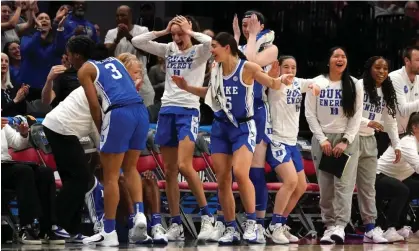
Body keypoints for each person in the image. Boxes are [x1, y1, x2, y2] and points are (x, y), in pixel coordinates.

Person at [172, 32, 294, 244]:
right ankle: (230, 227)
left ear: (227, 47)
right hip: (221, 128)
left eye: (215, 47)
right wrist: (187, 88)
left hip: (244, 127)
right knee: (223, 180)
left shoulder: (247, 68)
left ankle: (252, 223)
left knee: (240, 171)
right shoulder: (216, 68)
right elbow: (209, 93)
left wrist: (281, 79)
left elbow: (272, 84)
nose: (212, 51)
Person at [132, 15, 215, 241]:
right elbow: (137, 42)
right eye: (175, 34)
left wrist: (190, 32)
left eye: (181, 34)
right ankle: (176, 223)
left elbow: (211, 43)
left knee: (185, 166)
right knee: (170, 172)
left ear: (189, 32)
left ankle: (208, 218)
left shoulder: (200, 51)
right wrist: (162, 32)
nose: (177, 38)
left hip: (188, 110)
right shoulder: (168, 48)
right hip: (167, 110)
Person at [64, 36, 150, 246]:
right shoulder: (115, 61)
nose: (68, 60)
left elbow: (94, 105)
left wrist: (101, 126)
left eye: (68, 55)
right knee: (131, 168)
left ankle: (109, 231)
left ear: (77, 55)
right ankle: (139, 214)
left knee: (110, 175)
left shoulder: (85, 70)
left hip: (118, 113)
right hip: (141, 111)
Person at [209, 11, 279, 243]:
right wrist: (240, 36)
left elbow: (251, 61)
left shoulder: (270, 48)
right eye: (244, 20)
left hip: (254, 112)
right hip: (226, 117)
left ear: (262, 24)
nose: (247, 22)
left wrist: (250, 36)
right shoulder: (226, 56)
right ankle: (227, 223)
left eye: (252, 20)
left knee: (248, 171)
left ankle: (255, 222)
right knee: (224, 177)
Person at [42, 45, 110, 243]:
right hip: (61, 128)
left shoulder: (96, 83)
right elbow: (96, 118)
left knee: (74, 179)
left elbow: (94, 125)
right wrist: (104, 149)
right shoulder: (98, 84)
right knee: (80, 178)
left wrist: (101, 148)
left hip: (60, 128)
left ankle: (70, 228)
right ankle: (55, 225)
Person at [264, 56, 326, 244]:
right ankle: (273, 226)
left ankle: (281, 223)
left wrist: (315, 87)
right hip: (277, 140)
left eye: (293, 67)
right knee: (290, 181)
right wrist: (278, 77)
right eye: (286, 67)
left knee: (301, 186)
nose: (290, 70)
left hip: (292, 143)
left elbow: (317, 83)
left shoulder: (299, 83)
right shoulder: (275, 82)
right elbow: (274, 82)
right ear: (279, 68)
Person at [305, 47, 363, 244]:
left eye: (344, 56)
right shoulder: (317, 83)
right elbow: (310, 114)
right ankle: (329, 226)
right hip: (323, 140)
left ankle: (340, 226)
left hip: (346, 141)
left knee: (344, 186)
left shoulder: (355, 84)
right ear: (328, 60)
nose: (340, 59)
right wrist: (322, 139)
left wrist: (345, 140)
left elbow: (356, 116)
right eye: (336, 56)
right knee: (326, 186)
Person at [356, 56, 401, 243]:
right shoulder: (358, 86)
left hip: (369, 140)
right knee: (344, 185)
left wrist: (396, 144)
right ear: (369, 68)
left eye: (385, 68)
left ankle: (370, 228)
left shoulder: (386, 91)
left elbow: (390, 121)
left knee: (368, 187)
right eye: (378, 67)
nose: (382, 71)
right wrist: (368, 122)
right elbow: (347, 115)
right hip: (350, 138)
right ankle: (335, 226)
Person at [1, 116, 64, 245]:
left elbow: (17, 143)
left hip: (6, 165)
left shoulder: (3, 125)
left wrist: (24, 134)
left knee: (45, 173)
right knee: (24, 172)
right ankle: (26, 226)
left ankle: (47, 228)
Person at [376, 112, 419, 242]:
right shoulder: (408, 142)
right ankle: (390, 228)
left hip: (397, 179)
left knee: (407, 187)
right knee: (402, 189)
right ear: (415, 127)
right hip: (377, 177)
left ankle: (414, 228)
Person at [104, 5, 155, 107]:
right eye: (117, 16)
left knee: (147, 102)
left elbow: (146, 51)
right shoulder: (111, 33)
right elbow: (107, 52)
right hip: (119, 77)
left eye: (123, 15)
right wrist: (117, 39)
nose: (119, 18)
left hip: (139, 76)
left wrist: (128, 36)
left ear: (131, 16)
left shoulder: (142, 30)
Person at [377, 45, 419, 156]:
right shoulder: (394, 78)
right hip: (386, 133)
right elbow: (403, 110)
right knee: (381, 170)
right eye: (418, 60)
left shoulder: (418, 80)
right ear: (407, 61)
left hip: (406, 133)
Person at [19, 12, 66, 101]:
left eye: (46, 18)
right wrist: (38, 31)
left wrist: (60, 28)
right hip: (28, 89)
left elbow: (60, 49)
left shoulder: (54, 43)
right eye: (40, 18)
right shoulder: (26, 39)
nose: (44, 20)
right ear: (35, 25)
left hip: (47, 89)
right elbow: (29, 50)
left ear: (51, 26)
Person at [1, 52, 28, 117]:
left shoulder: (11, 86)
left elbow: (22, 111)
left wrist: (22, 97)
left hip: (16, 122)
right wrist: (15, 100)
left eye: (6, 61)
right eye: (1, 60)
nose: (4, 63)